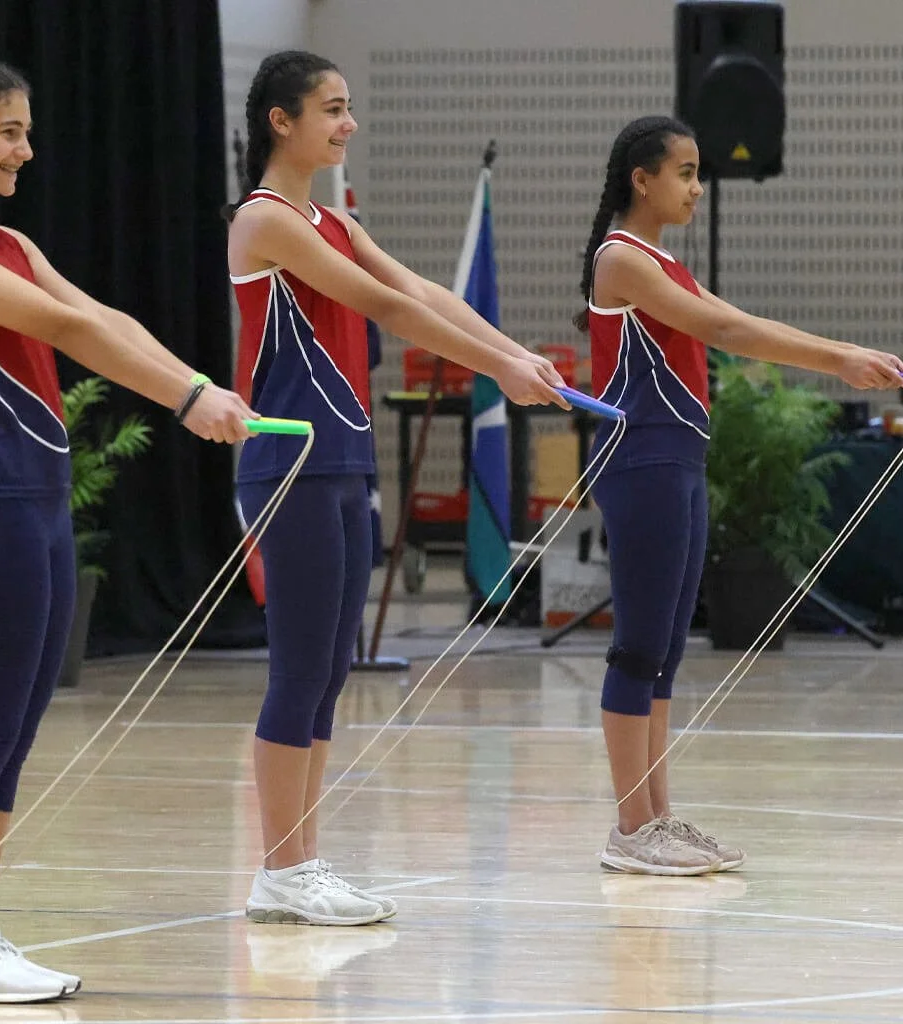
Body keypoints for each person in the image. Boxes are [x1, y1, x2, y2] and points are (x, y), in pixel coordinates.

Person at [0, 54, 257, 1001]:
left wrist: (206, 386)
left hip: (37, 503)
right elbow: (66, 333)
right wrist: (184, 399)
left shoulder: (4, 240)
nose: (27, 149)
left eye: (27, 129)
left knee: (13, 730)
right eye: (9, 131)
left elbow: (104, 314)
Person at [226, 50, 568, 926]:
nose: (348, 126)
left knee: (332, 667)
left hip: (344, 461)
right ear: (282, 121)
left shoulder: (334, 220)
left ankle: (301, 859)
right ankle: (280, 867)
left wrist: (514, 352)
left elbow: (416, 287)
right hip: (290, 464)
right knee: (300, 666)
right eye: (332, 110)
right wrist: (498, 366)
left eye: (348, 109)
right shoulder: (266, 222)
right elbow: (390, 312)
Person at [576, 115, 903, 874]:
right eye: (685, 173)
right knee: (636, 647)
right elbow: (728, 329)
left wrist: (840, 353)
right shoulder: (622, 261)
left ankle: (655, 817)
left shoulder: (663, 262)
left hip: (679, 462)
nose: (696, 188)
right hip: (643, 464)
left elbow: (733, 319)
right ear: (642, 179)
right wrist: (839, 357)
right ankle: (631, 829)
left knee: (661, 651)